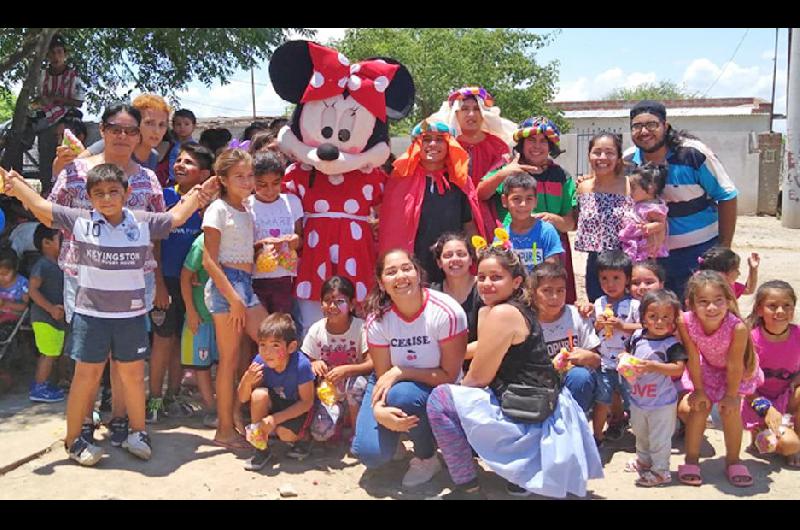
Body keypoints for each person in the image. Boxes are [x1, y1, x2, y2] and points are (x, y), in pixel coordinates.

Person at [0, 163, 215, 466]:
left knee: (131, 377)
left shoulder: (142, 222)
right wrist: (13, 183)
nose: (107, 198)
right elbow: (39, 206)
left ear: (126, 193)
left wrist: (200, 193)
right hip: (91, 316)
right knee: (85, 378)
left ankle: (137, 433)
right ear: (89, 197)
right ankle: (74, 441)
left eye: (114, 191)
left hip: (130, 317)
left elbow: (177, 216)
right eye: (99, 193)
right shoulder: (80, 220)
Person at [426, 246, 603, 499]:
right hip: (535, 402)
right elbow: (483, 347)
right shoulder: (502, 308)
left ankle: (468, 487)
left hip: (531, 411)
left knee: (440, 400)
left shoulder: (502, 313)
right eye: (482, 277)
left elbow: (477, 379)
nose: (486, 284)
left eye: (496, 277)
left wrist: (458, 411)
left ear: (516, 280)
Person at [49, 103, 166, 445]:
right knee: (88, 356)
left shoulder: (147, 178)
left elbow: (157, 232)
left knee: (125, 357)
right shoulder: (74, 172)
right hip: (82, 279)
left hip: (134, 280)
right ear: (102, 130)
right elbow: (52, 214)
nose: (123, 136)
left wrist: (158, 280)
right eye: (115, 128)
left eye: (131, 130)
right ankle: (83, 422)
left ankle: (120, 417)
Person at [351, 249, 467, 488]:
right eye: (391, 272)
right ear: (382, 284)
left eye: (406, 268)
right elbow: (383, 375)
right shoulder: (377, 319)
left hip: (439, 385)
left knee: (404, 395)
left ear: (417, 273)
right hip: (390, 384)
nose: (400, 276)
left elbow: (450, 375)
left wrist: (403, 371)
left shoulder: (446, 311)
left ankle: (426, 457)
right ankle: (398, 436)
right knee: (370, 454)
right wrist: (379, 409)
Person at [624, 100, 738, 300]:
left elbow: (727, 195)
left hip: (699, 252)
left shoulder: (693, 154)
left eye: (651, 125)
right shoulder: (629, 159)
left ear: (665, 126)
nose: (644, 131)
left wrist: (724, 248)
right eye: (637, 126)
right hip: (652, 257)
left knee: (696, 313)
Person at [202, 148, 268, 450]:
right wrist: (234, 298)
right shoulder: (217, 209)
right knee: (229, 361)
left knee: (266, 341)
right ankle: (224, 429)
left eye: (249, 175)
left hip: (246, 285)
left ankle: (240, 418)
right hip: (226, 287)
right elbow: (209, 261)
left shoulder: (247, 208)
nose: (246, 180)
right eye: (239, 176)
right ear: (223, 180)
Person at [146, 143, 214, 423]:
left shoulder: (209, 206)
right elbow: (155, 245)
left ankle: (173, 396)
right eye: (179, 160)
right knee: (163, 341)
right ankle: (154, 400)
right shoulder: (163, 196)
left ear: (205, 174)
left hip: (196, 286)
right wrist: (159, 283)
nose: (180, 165)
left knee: (180, 341)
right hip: (166, 281)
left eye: (190, 163)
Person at [676, 270, 763, 487]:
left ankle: (733, 460)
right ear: (691, 303)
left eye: (718, 301)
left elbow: (735, 364)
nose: (712, 307)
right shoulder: (685, 321)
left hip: (734, 371)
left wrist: (732, 396)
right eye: (703, 302)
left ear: (728, 300)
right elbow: (693, 356)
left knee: (730, 411)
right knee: (699, 407)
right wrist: (698, 389)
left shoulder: (738, 327)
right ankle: (691, 459)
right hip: (706, 367)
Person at [479, 116, 579, 303]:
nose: (537, 146)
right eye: (531, 140)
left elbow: (571, 223)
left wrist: (556, 220)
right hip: (513, 246)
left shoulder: (562, 176)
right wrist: (505, 172)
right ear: (522, 144)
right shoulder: (506, 169)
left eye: (543, 141)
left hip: (550, 250)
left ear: (551, 146)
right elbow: (481, 194)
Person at [377, 119, 483, 285]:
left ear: (450, 145)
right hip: (412, 267)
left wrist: (480, 254)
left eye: (440, 139)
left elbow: (469, 225)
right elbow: (390, 230)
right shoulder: (399, 180)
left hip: (451, 267)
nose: (433, 144)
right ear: (418, 144)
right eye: (426, 139)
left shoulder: (460, 181)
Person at [623, 289, 687, 487]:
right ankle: (644, 460)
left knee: (659, 439)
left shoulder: (671, 344)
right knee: (640, 433)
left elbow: (678, 369)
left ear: (674, 320)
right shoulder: (637, 337)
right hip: (638, 399)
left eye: (665, 317)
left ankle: (661, 471)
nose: (659, 322)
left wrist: (653, 366)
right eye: (653, 317)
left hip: (662, 403)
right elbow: (626, 353)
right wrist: (622, 359)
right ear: (643, 318)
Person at [430, 86, 515, 235]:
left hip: (490, 211)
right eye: (465, 109)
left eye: (476, 109)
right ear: (456, 113)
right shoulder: (446, 144)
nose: (471, 114)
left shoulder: (497, 145)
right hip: (453, 210)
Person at [238, 313, 316, 471]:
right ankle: (261, 449)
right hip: (276, 402)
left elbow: (307, 402)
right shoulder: (260, 361)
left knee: (285, 434)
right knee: (258, 395)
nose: (267, 352)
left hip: (296, 405)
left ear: (291, 347)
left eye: (275, 345)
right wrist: (246, 380)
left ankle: (304, 438)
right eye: (262, 345)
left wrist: (275, 419)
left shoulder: (301, 365)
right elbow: (242, 397)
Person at [302, 276, 372, 443]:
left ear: (352, 304)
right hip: (328, 394)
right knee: (320, 434)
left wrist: (347, 370)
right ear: (321, 304)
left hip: (355, 392)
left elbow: (372, 363)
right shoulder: (316, 329)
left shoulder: (361, 328)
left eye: (340, 301)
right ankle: (339, 418)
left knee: (357, 384)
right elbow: (304, 361)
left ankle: (358, 434)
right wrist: (314, 363)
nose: (332, 306)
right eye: (327, 301)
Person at [742, 281, 800, 467]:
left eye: (786, 306)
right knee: (788, 445)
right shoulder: (750, 339)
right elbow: (744, 388)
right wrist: (767, 409)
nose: (780, 311)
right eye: (772, 306)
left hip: (785, 398)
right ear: (760, 310)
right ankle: (761, 434)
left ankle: (796, 436)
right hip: (755, 401)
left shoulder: (797, 334)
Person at [530, 262, 601, 414]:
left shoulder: (577, 316)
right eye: (547, 291)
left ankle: (575, 424)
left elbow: (597, 360)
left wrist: (588, 357)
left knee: (581, 376)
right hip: (538, 385)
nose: (555, 297)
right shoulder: (526, 320)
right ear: (533, 292)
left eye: (560, 290)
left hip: (573, 383)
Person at [575, 132, 632, 302]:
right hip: (596, 265)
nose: (602, 157)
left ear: (618, 157)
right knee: (600, 314)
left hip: (626, 262)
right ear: (589, 155)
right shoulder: (583, 188)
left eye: (609, 152)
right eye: (597, 152)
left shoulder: (632, 186)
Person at [591, 250, 641, 445]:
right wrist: (598, 324)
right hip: (604, 362)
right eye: (604, 278)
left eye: (616, 278)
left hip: (628, 362)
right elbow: (593, 330)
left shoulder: (634, 305)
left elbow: (644, 327)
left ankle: (641, 436)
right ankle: (597, 435)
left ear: (627, 279)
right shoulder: (599, 303)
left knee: (633, 400)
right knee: (603, 399)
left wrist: (622, 326)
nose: (609, 284)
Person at [249, 151, 302, 315]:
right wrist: (263, 244)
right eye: (262, 185)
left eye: (275, 183)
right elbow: (241, 245)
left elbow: (300, 238)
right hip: (255, 278)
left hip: (285, 278)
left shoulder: (292, 202)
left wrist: (294, 240)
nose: (270, 190)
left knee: (280, 324)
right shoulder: (246, 205)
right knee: (259, 329)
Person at [32, 34, 85, 190]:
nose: (56, 56)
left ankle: (68, 186)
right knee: (45, 153)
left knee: (67, 152)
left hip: (67, 117)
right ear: (47, 55)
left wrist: (58, 99)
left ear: (65, 54)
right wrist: (43, 102)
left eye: (59, 52)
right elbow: (39, 98)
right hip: (46, 117)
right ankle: (47, 189)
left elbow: (79, 102)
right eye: (52, 53)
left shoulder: (73, 76)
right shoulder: (43, 75)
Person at [180, 233, 219, 428]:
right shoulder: (201, 243)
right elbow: (185, 276)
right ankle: (211, 409)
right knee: (201, 365)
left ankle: (224, 407)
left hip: (222, 317)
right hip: (201, 317)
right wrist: (191, 311)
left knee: (223, 363)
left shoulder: (233, 237)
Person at [27, 224, 66, 403]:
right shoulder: (42, 265)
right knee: (48, 353)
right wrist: (50, 308)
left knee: (52, 351)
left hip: (54, 318)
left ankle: (43, 384)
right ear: (47, 243)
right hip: (44, 318)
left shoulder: (60, 263)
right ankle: (39, 386)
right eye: (60, 239)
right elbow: (32, 290)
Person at [500, 173, 564, 271]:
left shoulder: (546, 231)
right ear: (504, 201)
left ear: (536, 201)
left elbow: (551, 270)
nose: (523, 204)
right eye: (516, 199)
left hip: (541, 286)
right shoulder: (502, 236)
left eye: (529, 199)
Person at [429, 232, 480, 346]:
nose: (455, 259)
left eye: (461, 254)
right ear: (439, 263)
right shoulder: (432, 295)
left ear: (471, 259)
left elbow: (487, 341)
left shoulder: (484, 288)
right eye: (448, 255)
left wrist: (451, 356)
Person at [619, 163, 669, 263]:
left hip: (646, 249)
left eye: (633, 188)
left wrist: (646, 228)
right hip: (636, 244)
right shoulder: (639, 203)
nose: (629, 191)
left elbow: (660, 223)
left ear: (650, 188)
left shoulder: (652, 208)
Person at [0, 248, 29, 332]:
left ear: (15, 269)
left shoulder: (22, 285)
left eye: (5, 274)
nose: (1, 277)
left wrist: (6, 303)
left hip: (13, 316)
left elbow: (26, 308)